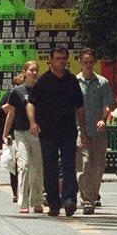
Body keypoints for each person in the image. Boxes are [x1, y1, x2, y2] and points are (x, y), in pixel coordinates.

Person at [28, 46, 86, 217]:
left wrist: (83, 129)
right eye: (58, 58)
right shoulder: (43, 81)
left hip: (68, 131)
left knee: (69, 165)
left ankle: (69, 200)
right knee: (50, 167)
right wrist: (33, 122)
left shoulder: (72, 80)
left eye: (64, 58)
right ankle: (54, 203)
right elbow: (31, 102)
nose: (61, 61)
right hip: (47, 132)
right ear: (51, 60)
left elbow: (79, 106)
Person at [76, 48, 115, 214]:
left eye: (91, 62)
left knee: (98, 166)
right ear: (80, 61)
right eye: (85, 62)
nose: (88, 65)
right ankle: (87, 199)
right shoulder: (74, 82)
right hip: (79, 129)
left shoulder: (102, 82)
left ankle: (91, 196)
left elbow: (108, 103)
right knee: (83, 165)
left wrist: (103, 119)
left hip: (97, 131)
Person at [2, 61, 42, 214]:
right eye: (31, 70)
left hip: (37, 133)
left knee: (37, 167)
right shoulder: (17, 92)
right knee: (24, 165)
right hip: (20, 132)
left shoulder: (40, 90)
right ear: (25, 71)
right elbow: (11, 114)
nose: (34, 73)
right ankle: (23, 201)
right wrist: (5, 134)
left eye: (36, 70)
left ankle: (37, 201)